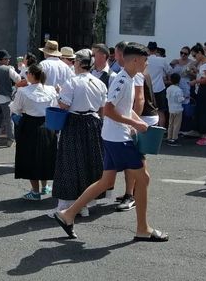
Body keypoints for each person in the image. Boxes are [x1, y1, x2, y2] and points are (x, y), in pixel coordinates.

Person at [52, 43, 168, 242]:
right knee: (144, 178)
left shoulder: (130, 78)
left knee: (106, 181)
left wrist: (138, 122)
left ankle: (68, 214)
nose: (147, 63)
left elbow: (122, 109)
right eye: (145, 60)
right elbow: (109, 110)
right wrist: (133, 123)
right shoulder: (122, 80)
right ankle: (142, 228)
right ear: (136, 60)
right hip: (117, 138)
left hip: (115, 136)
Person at [51, 49, 106, 218]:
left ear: (80, 63)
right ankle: (86, 205)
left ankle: (66, 206)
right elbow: (103, 108)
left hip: (74, 123)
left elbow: (64, 106)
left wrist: (59, 93)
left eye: (75, 62)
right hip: (93, 122)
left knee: (69, 164)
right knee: (89, 163)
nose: (73, 64)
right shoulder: (99, 82)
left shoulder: (72, 82)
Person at [10, 64, 58, 200]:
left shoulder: (23, 91)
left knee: (30, 157)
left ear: (31, 75)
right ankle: (45, 186)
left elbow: (16, 108)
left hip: (30, 125)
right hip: (48, 125)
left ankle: (35, 191)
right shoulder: (51, 90)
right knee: (46, 155)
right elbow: (54, 106)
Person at [0, 50, 22, 147]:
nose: (9, 60)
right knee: (8, 119)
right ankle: (10, 139)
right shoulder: (8, 69)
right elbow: (18, 79)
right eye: (7, 59)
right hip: (5, 97)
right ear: (3, 59)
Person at [146, 42, 171, 127]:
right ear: (156, 49)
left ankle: (147, 130)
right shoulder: (162, 60)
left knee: (147, 111)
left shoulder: (144, 59)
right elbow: (169, 71)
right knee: (161, 111)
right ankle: (161, 131)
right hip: (159, 88)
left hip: (147, 88)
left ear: (147, 49)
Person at [166, 73, 186, 146]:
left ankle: (169, 137)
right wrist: (185, 97)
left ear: (170, 80)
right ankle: (174, 138)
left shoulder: (168, 89)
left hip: (170, 108)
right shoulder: (179, 90)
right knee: (176, 125)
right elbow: (180, 100)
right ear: (179, 80)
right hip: (178, 109)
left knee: (170, 124)